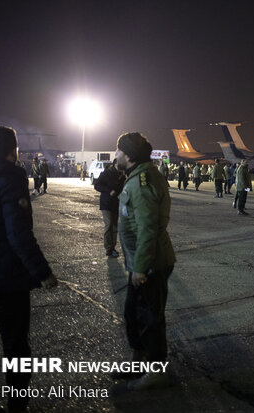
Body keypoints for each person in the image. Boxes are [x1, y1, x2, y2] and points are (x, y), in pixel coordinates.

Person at [0, 126, 58, 413]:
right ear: (13, 149)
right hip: (8, 283)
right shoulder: (12, 178)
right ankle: (16, 405)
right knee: (16, 349)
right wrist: (42, 272)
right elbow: (19, 235)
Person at [114, 132, 176, 391]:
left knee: (150, 318)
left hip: (150, 263)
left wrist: (140, 268)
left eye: (117, 150)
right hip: (140, 261)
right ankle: (139, 360)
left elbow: (148, 228)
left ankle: (156, 370)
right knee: (133, 313)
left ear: (128, 155)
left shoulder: (141, 181)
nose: (115, 154)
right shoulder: (138, 176)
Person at [94, 159, 125, 257]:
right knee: (109, 224)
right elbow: (97, 185)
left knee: (115, 226)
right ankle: (108, 248)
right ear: (115, 164)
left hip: (116, 203)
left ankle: (112, 248)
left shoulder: (122, 175)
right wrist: (109, 190)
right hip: (106, 203)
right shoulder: (106, 173)